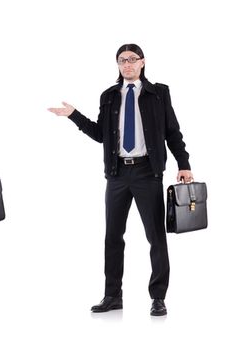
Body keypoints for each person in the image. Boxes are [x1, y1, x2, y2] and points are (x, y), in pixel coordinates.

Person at [47, 43, 193, 317]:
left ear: (142, 62)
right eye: (122, 60)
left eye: (132, 59)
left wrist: (184, 164)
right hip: (116, 174)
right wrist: (73, 116)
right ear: (117, 64)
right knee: (113, 236)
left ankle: (158, 297)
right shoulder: (109, 95)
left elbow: (172, 131)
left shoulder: (158, 93)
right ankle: (112, 296)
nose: (127, 64)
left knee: (156, 237)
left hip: (147, 173)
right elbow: (101, 134)